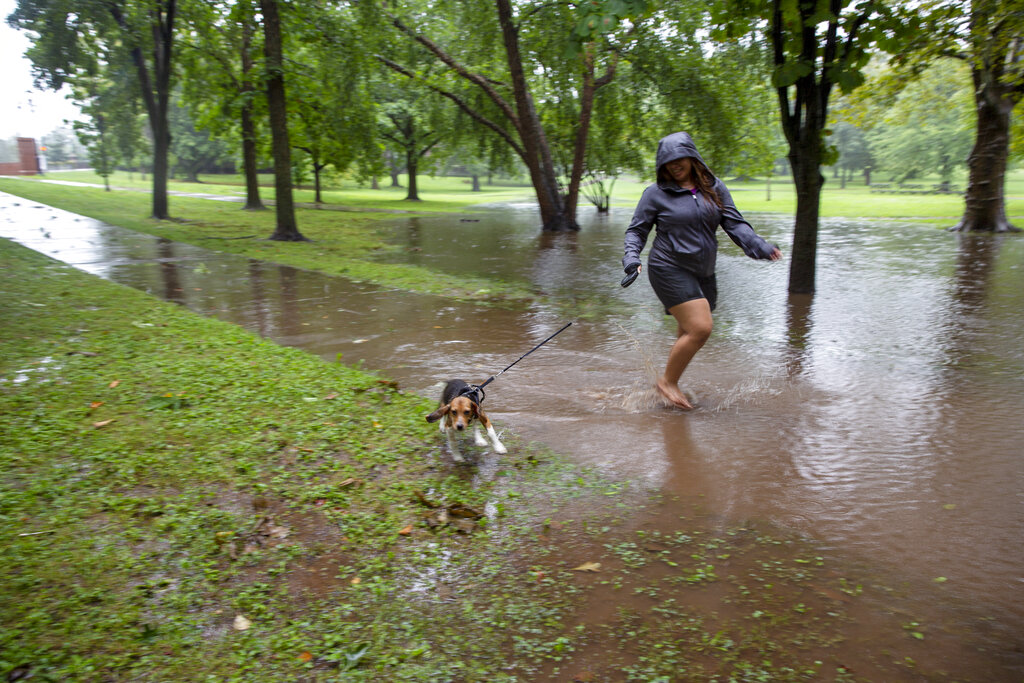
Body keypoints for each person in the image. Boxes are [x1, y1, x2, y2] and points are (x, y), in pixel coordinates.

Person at [622, 131, 782, 410]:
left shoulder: (714, 188)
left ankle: (665, 393)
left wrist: (760, 246)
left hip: (702, 270)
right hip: (667, 266)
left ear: (692, 157)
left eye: (679, 159)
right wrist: (631, 258)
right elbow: (637, 231)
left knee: (687, 330)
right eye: (667, 162)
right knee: (701, 328)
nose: (674, 165)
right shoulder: (655, 194)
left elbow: (735, 224)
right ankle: (666, 383)